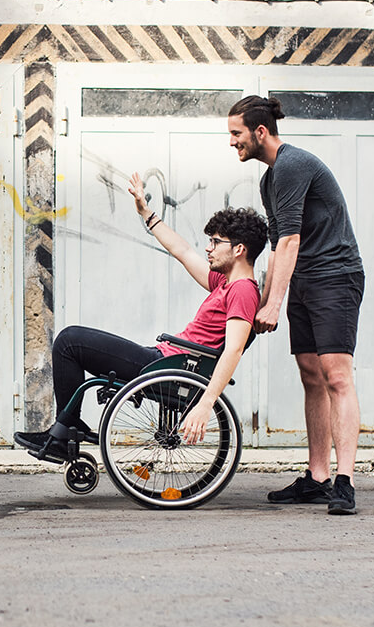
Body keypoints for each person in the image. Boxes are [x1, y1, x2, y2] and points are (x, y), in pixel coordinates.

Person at [14, 173, 267, 460]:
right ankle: (66, 428)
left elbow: (233, 349)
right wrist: (146, 213)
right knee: (70, 342)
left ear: (238, 249)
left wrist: (206, 402)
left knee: (69, 341)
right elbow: (183, 251)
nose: (208, 247)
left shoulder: (242, 291)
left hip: (170, 367)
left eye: (215, 241)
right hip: (165, 359)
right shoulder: (225, 282)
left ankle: (63, 432)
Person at [227, 95, 365, 515]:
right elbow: (276, 247)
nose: (232, 142)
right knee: (310, 375)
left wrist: (273, 304)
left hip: (335, 277)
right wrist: (263, 300)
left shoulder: (292, 165)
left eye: (236, 133)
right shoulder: (270, 179)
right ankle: (318, 477)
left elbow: (290, 241)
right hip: (304, 279)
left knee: (336, 376)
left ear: (260, 131)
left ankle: (345, 481)